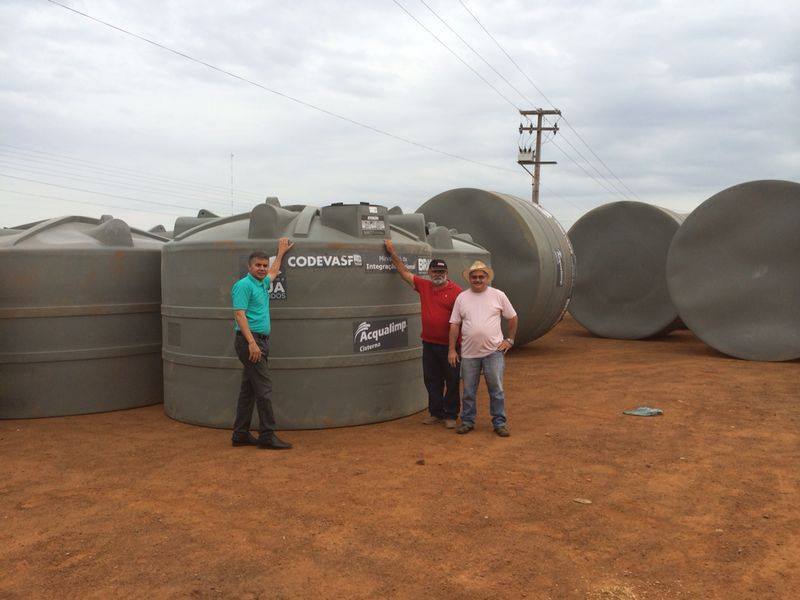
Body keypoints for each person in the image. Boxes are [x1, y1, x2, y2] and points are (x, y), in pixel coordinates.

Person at [385, 240, 462, 428]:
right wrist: (392, 253)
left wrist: (456, 347)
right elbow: (404, 273)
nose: (438, 275)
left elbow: (463, 320)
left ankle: (451, 415)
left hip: (450, 346)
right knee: (432, 380)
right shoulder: (424, 286)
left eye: (442, 272)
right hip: (429, 343)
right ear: (429, 272)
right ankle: (436, 413)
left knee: (451, 381)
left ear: (447, 273)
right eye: (435, 271)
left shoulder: (457, 292)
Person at [231, 238, 294, 449]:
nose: (262, 268)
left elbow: (274, 272)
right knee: (264, 388)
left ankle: (240, 434)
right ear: (249, 266)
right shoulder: (243, 285)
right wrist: (252, 343)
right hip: (251, 341)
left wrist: (281, 251)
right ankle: (267, 435)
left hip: (260, 341)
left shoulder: (263, 282)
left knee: (247, 390)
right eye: (257, 265)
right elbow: (239, 315)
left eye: (264, 265)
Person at [448, 260, 518, 437]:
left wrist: (509, 340)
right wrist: (452, 349)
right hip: (469, 353)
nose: (477, 280)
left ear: (487, 278)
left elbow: (513, 317)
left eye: (481, 277)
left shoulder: (498, 295)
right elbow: (454, 324)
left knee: (496, 389)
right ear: (469, 279)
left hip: (493, 352)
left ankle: (499, 422)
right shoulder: (462, 298)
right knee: (469, 390)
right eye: (474, 277)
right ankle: (467, 421)